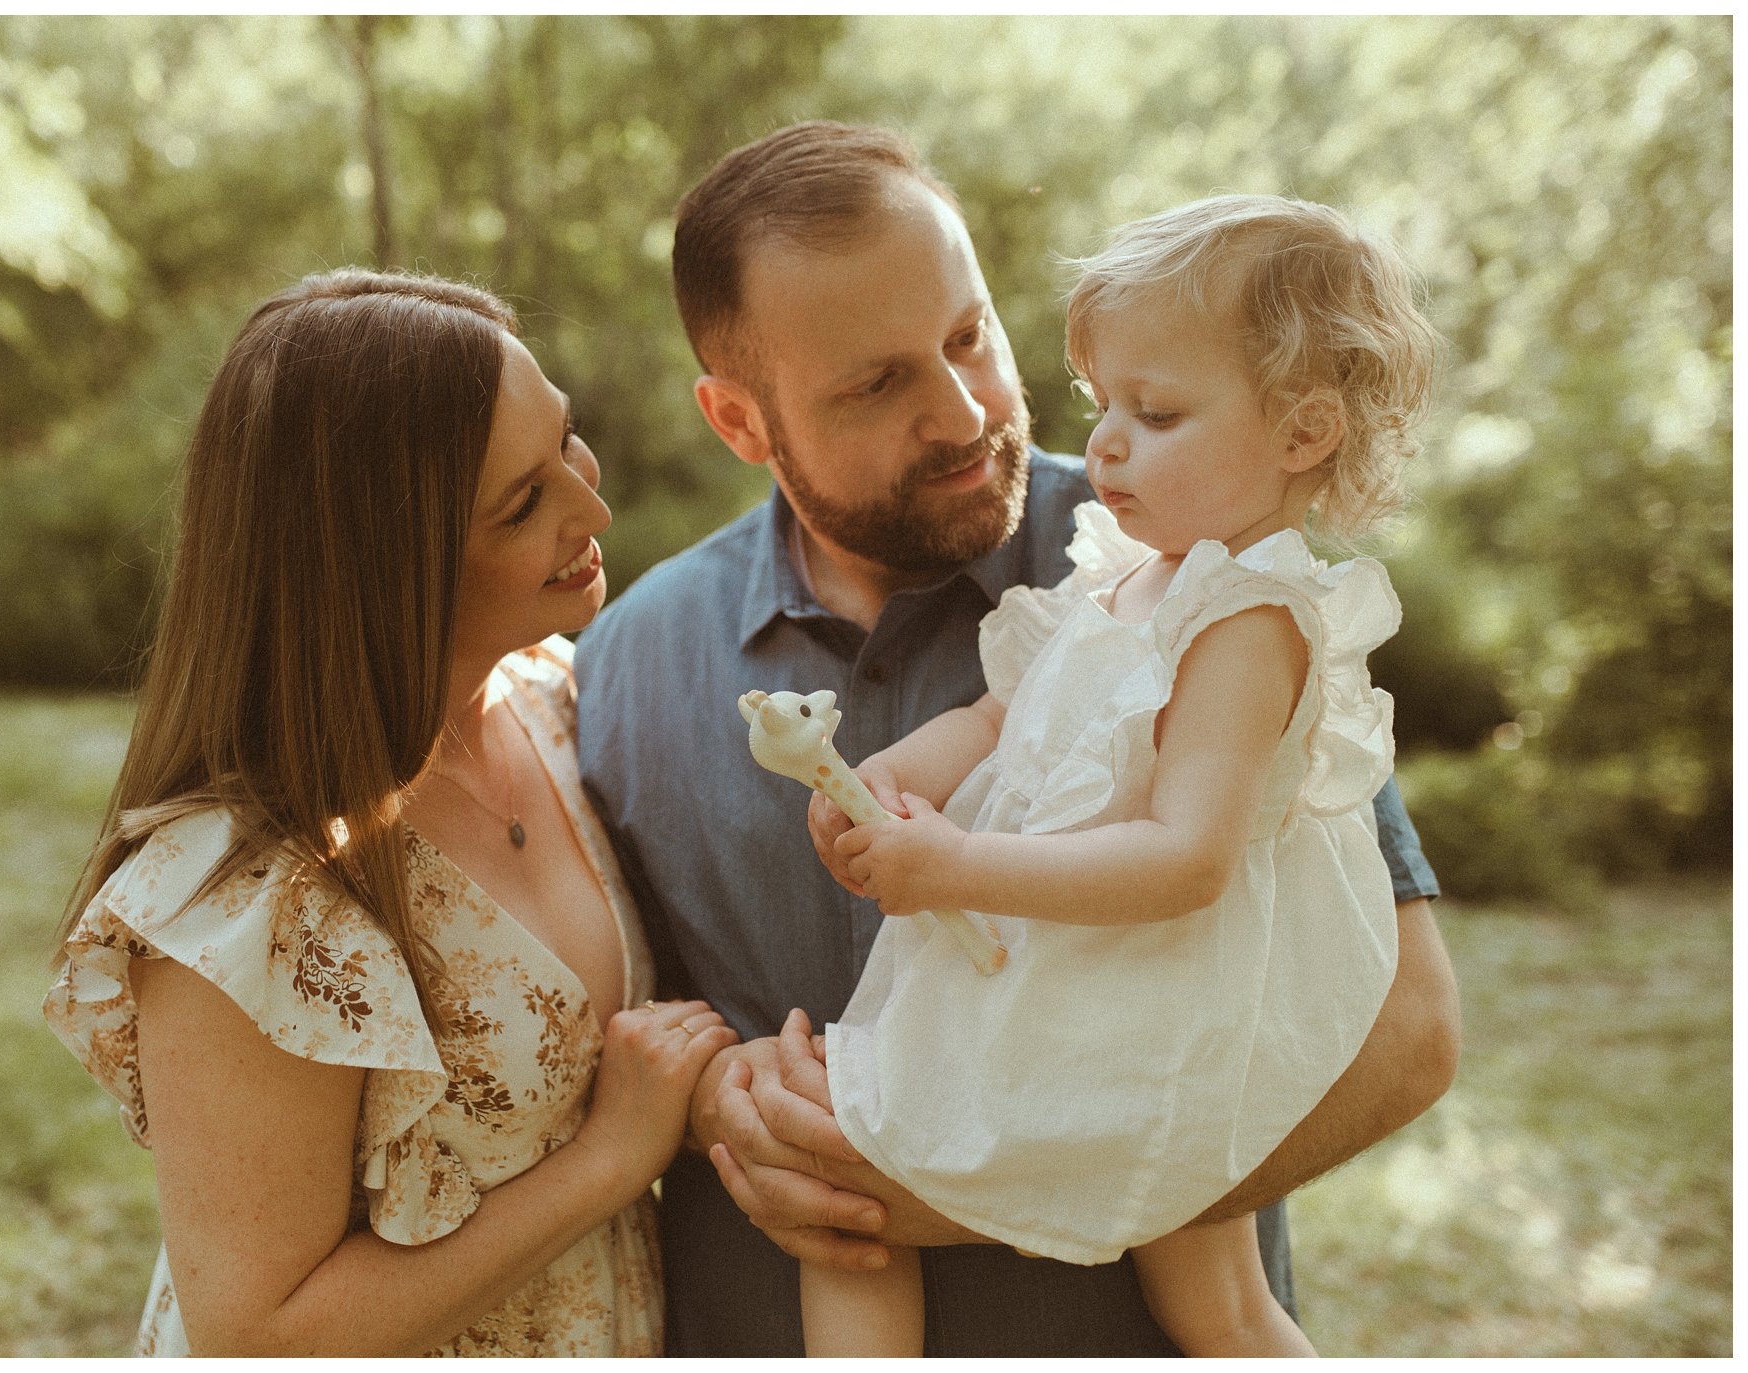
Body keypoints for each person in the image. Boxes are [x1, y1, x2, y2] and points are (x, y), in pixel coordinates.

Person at [576, 122, 1460, 1356]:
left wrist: (983, 1193)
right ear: (739, 420)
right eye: (875, 383)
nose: (959, 410)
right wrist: (720, 1100)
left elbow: (1410, 1034)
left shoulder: (1198, 555)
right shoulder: (626, 666)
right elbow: (604, 1037)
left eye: (966, 335)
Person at [41, 269, 736, 1356]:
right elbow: (256, 1334)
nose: (590, 506)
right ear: (383, 567)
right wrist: (608, 1159)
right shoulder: (249, 894)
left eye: (566, 439)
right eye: (522, 502)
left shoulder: (556, 702)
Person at [795, 192, 1442, 1357]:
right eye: (1103, 406)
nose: (1100, 444)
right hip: (1077, 972)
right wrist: (895, 773)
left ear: (1299, 434)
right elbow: (1000, 717)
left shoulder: (1244, 617)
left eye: (1153, 411)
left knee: (862, 1182)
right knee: (1203, 1297)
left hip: (1146, 999)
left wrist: (954, 862)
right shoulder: (1124, 572)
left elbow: (1186, 855)